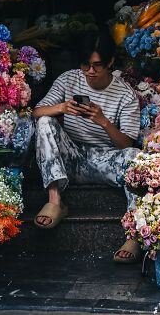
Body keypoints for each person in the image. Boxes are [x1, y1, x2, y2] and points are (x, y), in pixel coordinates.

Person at [32, 29, 141, 263]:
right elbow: (36, 111)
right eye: (86, 65)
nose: (91, 72)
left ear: (110, 62)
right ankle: (55, 202)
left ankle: (134, 233)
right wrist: (61, 108)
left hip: (105, 159)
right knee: (44, 122)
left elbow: (127, 143)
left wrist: (103, 121)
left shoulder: (125, 94)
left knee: (136, 157)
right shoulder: (68, 79)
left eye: (98, 65)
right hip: (71, 155)